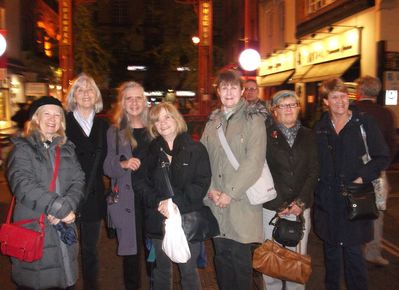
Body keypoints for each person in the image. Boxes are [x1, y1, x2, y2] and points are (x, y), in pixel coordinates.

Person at [314, 78, 390, 290]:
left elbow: (382, 156)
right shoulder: (321, 128)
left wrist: (361, 177)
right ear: (326, 101)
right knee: (331, 257)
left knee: (354, 255)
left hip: (355, 198)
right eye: (335, 97)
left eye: (344, 96)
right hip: (328, 203)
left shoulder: (363, 123)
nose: (340, 101)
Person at [6, 96, 85, 290]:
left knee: (66, 279)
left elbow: (79, 179)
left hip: (63, 227)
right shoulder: (22, 148)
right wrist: (59, 208)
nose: (52, 119)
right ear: (36, 118)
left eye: (57, 115)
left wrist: (68, 208)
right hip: (35, 228)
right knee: (38, 281)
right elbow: (22, 184)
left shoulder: (67, 147)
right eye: (46, 114)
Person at [132, 102, 212, 290]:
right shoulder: (149, 151)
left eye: (167, 116)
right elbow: (140, 182)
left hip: (187, 219)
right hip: (158, 218)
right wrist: (159, 202)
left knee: (189, 271)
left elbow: (201, 182)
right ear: (153, 126)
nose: (163, 122)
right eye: (157, 120)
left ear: (176, 119)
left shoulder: (196, 149)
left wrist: (175, 204)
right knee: (161, 271)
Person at [200, 70, 267, 290]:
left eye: (233, 87)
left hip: (242, 202)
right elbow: (200, 160)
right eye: (224, 87)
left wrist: (229, 192)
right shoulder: (212, 123)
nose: (229, 92)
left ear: (241, 91)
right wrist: (211, 190)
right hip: (216, 202)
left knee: (240, 261)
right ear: (218, 91)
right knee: (221, 259)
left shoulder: (253, 119)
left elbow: (254, 161)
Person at [262, 90, 319, 290]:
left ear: (299, 108)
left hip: (300, 209)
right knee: (273, 262)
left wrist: (300, 202)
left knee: (296, 261)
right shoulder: (265, 135)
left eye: (292, 105)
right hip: (272, 208)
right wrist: (279, 204)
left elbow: (314, 171)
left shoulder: (310, 135)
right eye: (282, 105)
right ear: (274, 111)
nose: (288, 109)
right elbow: (261, 171)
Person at [103, 81, 152, 290]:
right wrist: (122, 164)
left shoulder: (156, 128)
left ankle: (154, 285)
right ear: (123, 103)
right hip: (128, 202)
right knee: (131, 255)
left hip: (152, 201)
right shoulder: (115, 132)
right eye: (129, 98)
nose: (134, 102)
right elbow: (107, 166)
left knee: (153, 252)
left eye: (138, 97)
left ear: (145, 101)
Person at [64, 73, 109, 290]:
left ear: (96, 96)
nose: (85, 94)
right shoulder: (62, 122)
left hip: (93, 195)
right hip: (67, 196)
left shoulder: (104, 126)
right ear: (73, 96)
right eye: (79, 90)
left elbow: (111, 161)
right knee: (68, 250)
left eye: (89, 89)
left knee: (91, 250)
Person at [354, 75, 398, 266]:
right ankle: (373, 252)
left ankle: (353, 249)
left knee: (353, 208)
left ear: (359, 91)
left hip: (354, 172)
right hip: (378, 171)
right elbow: (392, 143)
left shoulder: (351, 111)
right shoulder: (386, 114)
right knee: (377, 211)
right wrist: (384, 164)